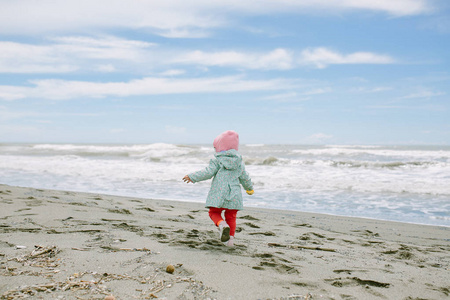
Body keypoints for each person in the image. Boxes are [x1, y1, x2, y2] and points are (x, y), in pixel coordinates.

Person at [183, 130, 254, 247]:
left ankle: (221, 224)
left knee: (213, 212)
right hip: (234, 195)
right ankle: (230, 242)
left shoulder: (217, 160)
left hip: (219, 193)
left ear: (220, 147)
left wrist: (192, 177)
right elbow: (244, 177)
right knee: (231, 216)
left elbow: (208, 172)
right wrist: (249, 188)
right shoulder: (239, 162)